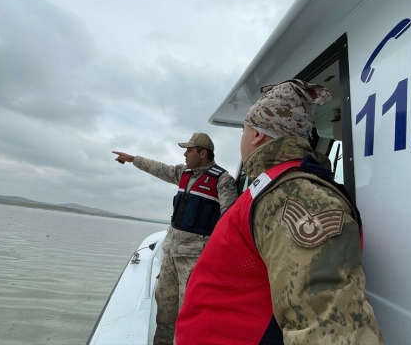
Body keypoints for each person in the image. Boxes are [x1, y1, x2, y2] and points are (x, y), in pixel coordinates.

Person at [176, 80, 383, 344]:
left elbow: (328, 327)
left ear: (257, 135)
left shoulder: (297, 196)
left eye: (243, 130)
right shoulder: (272, 186)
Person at [112, 132, 238, 345]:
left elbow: (230, 220)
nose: (185, 154)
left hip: (195, 260)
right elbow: (159, 168)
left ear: (203, 153)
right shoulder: (183, 173)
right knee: (165, 311)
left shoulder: (223, 180)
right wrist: (133, 159)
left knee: (189, 314)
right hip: (170, 254)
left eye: (189, 150)